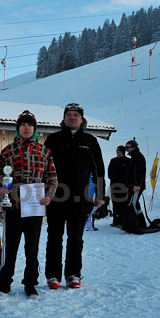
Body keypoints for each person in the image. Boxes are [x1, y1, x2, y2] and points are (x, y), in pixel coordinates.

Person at [0, 111, 57, 299]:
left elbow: (52, 177)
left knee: (32, 248)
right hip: (13, 206)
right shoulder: (8, 151)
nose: (26, 127)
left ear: (34, 129)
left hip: (34, 207)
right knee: (10, 248)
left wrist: (48, 195)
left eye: (30, 125)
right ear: (18, 128)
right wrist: (1, 189)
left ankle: (30, 283)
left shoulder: (44, 151)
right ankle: (5, 283)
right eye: (23, 125)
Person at [44, 103, 105, 290]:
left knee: (76, 238)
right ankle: (53, 275)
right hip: (56, 197)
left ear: (81, 119)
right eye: (69, 115)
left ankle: (73, 274)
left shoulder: (90, 141)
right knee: (54, 236)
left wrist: (100, 195)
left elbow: (99, 170)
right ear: (63, 118)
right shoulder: (53, 140)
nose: (72, 118)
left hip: (81, 198)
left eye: (75, 115)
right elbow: (43, 169)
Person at [125, 139, 147, 228]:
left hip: (137, 186)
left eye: (128, 147)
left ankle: (136, 224)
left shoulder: (138, 157)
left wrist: (138, 185)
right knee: (134, 203)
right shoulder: (133, 157)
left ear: (133, 147)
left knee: (133, 204)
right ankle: (141, 223)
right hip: (132, 186)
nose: (126, 149)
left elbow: (141, 172)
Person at [108, 145, 130, 226]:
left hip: (123, 186)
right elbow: (109, 172)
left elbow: (128, 175)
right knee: (115, 203)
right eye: (117, 152)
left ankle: (123, 220)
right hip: (114, 185)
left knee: (123, 203)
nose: (118, 154)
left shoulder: (127, 161)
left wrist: (127, 185)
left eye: (119, 152)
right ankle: (115, 220)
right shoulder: (113, 161)